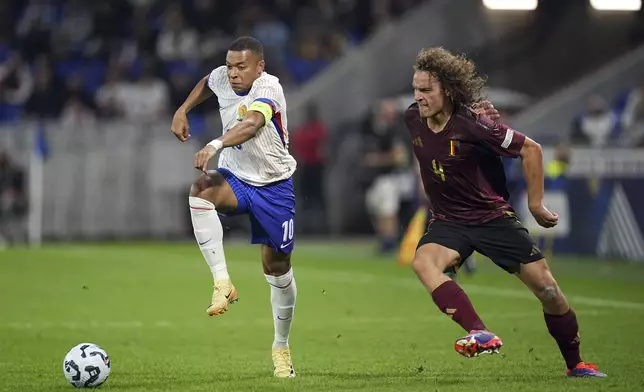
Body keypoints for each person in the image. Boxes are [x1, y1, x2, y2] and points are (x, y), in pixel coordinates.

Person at [404, 47, 605, 378]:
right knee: (423, 262)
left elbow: (531, 149)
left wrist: (536, 205)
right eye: (416, 89)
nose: (418, 97)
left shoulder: (473, 126)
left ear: (448, 90)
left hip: (491, 218)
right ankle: (478, 332)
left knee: (549, 290)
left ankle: (576, 364)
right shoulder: (413, 118)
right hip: (449, 221)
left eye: (426, 90)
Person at [171, 37, 297, 378]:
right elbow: (206, 84)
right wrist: (183, 109)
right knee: (200, 191)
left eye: (242, 66)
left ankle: (281, 347)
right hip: (237, 177)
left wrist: (214, 142)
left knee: (277, 270)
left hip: (274, 186)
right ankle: (222, 282)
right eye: (230, 66)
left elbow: (252, 124)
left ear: (260, 67)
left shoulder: (270, 88)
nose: (234, 73)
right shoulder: (223, 78)